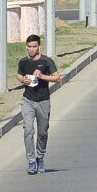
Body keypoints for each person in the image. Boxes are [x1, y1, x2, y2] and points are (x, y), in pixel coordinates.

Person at [17, 34, 60, 174]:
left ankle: (39, 157)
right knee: (28, 130)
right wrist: (23, 80)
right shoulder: (23, 61)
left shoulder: (46, 61)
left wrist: (42, 76)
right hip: (28, 100)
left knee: (42, 132)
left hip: (43, 100)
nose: (31, 49)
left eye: (34, 47)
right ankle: (31, 160)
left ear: (39, 47)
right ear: (26, 47)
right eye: (29, 47)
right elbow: (19, 74)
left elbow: (57, 78)